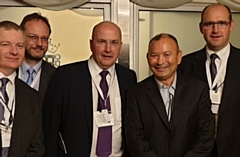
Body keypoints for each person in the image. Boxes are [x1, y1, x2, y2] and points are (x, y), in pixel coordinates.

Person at [43, 21, 137, 156]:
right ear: (91, 44)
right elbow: (50, 128)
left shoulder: (128, 78)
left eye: (114, 42)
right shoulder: (66, 76)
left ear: (120, 47)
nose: (108, 49)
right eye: (102, 42)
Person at [125, 33, 214, 156]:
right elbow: (134, 138)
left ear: (179, 57)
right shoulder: (136, 93)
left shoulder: (198, 90)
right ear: (147, 58)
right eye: (154, 55)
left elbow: (206, 134)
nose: (160, 61)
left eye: (167, 55)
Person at [178, 4, 240, 156]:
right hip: (196, 150)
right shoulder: (185, 65)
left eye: (221, 23)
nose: (216, 30)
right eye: (209, 24)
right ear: (201, 28)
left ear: (231, 25)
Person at [0, 20, 44, 156]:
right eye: (6, 45)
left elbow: (37, 146)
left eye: (19, 46)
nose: (14, 52)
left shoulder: (30, 96)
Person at [18, 12, 56, 102]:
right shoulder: (7, 70)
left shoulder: (56, 77)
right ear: (21, 37)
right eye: (33, 37)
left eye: (44, 39)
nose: (39, 44)